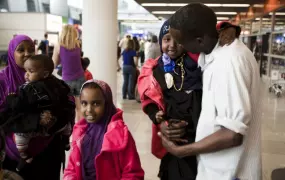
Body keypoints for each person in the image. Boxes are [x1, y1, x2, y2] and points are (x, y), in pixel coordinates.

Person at [158, 3, 261, 180]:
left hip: (231, 172)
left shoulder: (230, 62)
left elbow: (233, 134)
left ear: (199, 41)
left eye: (183, 42)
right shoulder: (214, 53)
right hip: (215, 169)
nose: (179, 47)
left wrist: (182, 151)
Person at [0, 35, 75, 180]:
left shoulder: (47, 78)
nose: (27, 53)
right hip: (11, 153)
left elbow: (66, 103)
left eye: (31, 50)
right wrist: (34, 118)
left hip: (47, 151)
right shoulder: (3, 81)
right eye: (21, 50)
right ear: (11, 53)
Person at [138, 20, 202, 180]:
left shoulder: (197, 66)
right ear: (161, 41)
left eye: (178, 40)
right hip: (171, 139)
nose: (172, 45)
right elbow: (150, 101)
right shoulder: (155, 69)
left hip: (197, 137)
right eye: (167, 39)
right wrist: (158, 119)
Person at [64, 79, 144, 180]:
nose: (89, 110)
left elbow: (133, 173)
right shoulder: (80, 132)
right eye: (84, 103)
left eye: (96, 104)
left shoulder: (119, 135)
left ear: (107, 104)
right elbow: (72, 168)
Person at [53, 25, 85, 122]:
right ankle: (81, 129)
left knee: (69, 107)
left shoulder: (59, 45)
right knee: (80, 107)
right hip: (80, 77)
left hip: (67, 80)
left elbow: (54, 62)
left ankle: (71, 128)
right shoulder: (78, 43)